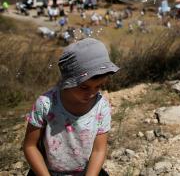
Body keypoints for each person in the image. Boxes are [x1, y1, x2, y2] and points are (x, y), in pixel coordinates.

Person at [22, 38, 119, 176]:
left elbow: (99, 150)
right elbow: (30, 146)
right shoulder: (46, 104)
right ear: (69, 81)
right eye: (83, 87)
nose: (91, 93)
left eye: (98, 86)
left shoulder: (101, 106)